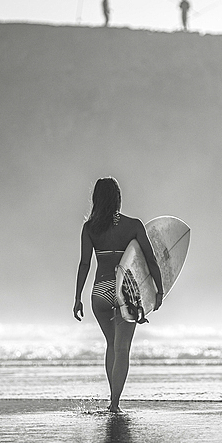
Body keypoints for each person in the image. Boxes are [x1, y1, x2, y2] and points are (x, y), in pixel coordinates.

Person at [74, 177, 163, 413]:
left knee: (111, 344)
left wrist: (77, 298)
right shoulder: (133, 225)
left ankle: (111, 400)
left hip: (100, 291)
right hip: (126, 291)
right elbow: (151, 260)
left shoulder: (90, 228)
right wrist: (158, 289)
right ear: (117, 198)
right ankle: (114, 404)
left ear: (96, 199)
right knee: (123, 348)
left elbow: (84, 264)